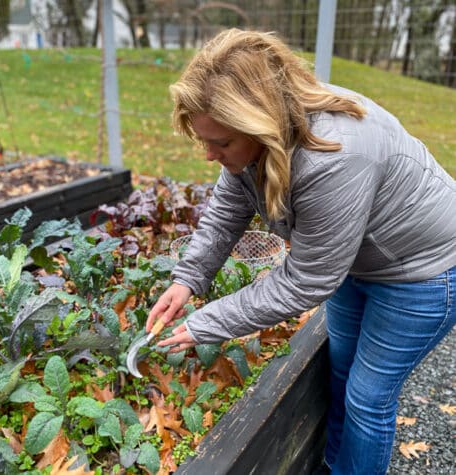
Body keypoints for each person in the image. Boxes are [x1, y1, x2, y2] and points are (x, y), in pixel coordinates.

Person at [145, 28, 456, 475]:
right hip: (356, 261)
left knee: (369, 398)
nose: (209, 155)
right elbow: (227, 210)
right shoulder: (258, 138)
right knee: (343, 371)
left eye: (222, 143)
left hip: (424, 272)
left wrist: (205, 322)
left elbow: (306, 280)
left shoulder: (336, 155)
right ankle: (335, 465)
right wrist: (186, 280)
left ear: (258, 123)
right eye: (203, 140)